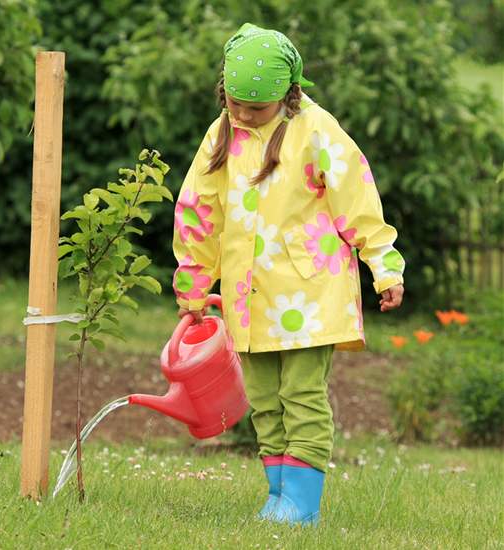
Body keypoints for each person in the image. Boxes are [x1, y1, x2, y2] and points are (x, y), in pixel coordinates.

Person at [172, 22, 405, 526]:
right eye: (234, 102)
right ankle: (278, 494)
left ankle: (303, 504)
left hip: (309, 293)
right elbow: (199, 210)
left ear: (289, 92)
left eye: (255, 107)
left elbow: (359, 203)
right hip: (247, 295)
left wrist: (384, 267)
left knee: (301, 395)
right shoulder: (222, 134)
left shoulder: (318, 131)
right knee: (263, 401)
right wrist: (193, 281)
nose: (242, 114)